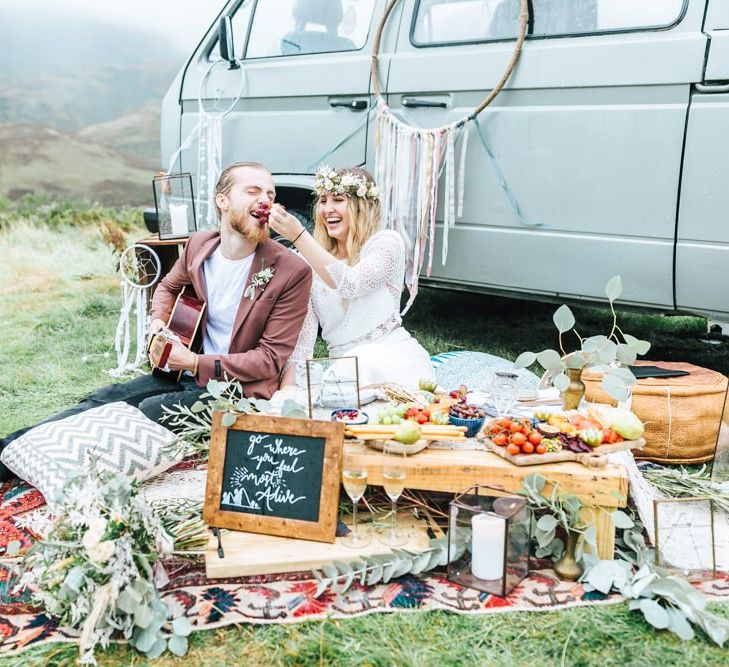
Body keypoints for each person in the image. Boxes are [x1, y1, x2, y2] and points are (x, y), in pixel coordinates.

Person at [0, 162, 312, 480]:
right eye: (253, 191)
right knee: (104, 399)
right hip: (182, 375)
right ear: (223, 200)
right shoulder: (199, 246)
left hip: (239, 393)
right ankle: (6, 456)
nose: (265, 200)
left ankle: (64, 472)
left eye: (270, 194)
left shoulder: (291, 271)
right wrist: (157, 324)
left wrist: (193, 361)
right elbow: (166, 287)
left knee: (144, 412)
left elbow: (270, 361)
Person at [269, 165, 435, 391]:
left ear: (362, 206)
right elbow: (303, 341)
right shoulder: (308, 261)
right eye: (323, 200)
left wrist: (299, 236)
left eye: (338, 199)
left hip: (392, 359)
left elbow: (350, 284)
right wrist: (287, 391)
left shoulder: (386, 244)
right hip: (342, 371)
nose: (327, 209)